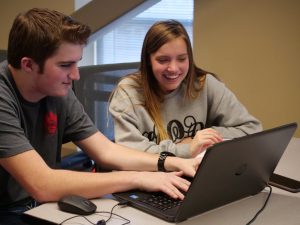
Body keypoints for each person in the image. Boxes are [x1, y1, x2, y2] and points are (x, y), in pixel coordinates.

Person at [0, 9, 200, 224]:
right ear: (28, 64)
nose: (75, 75)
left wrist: (171, 163)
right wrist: (140, 178)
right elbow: (42, 184)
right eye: (65, 65)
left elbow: (105, 151)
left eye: (77, 63)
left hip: (40, 206)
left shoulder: (56, 89)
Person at [109, 20, 263, 158]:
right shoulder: (128, 92)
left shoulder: (205, 84)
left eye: (182, 59)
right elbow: (128, 153)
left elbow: (252, 129)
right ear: (148, 60)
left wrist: (201, 137)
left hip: (197, 176)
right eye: (163, 60)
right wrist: (186, 148)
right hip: (150, 179)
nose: (173, 68)